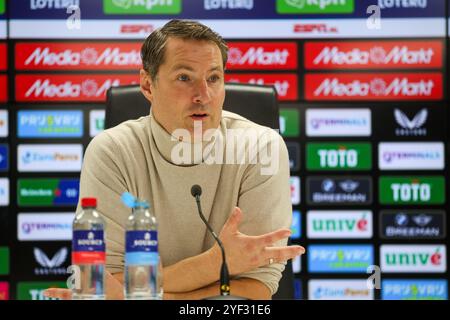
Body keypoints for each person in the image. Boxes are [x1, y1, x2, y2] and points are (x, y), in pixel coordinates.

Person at [44, 19, 305, 300]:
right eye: (184, 78)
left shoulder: (261, 147)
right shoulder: (112, 151)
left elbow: (255, 289)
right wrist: (215, 263)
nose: (203, 95)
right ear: (147, 84)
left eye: (214, 78)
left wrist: (136, 295)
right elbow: (107, 280)